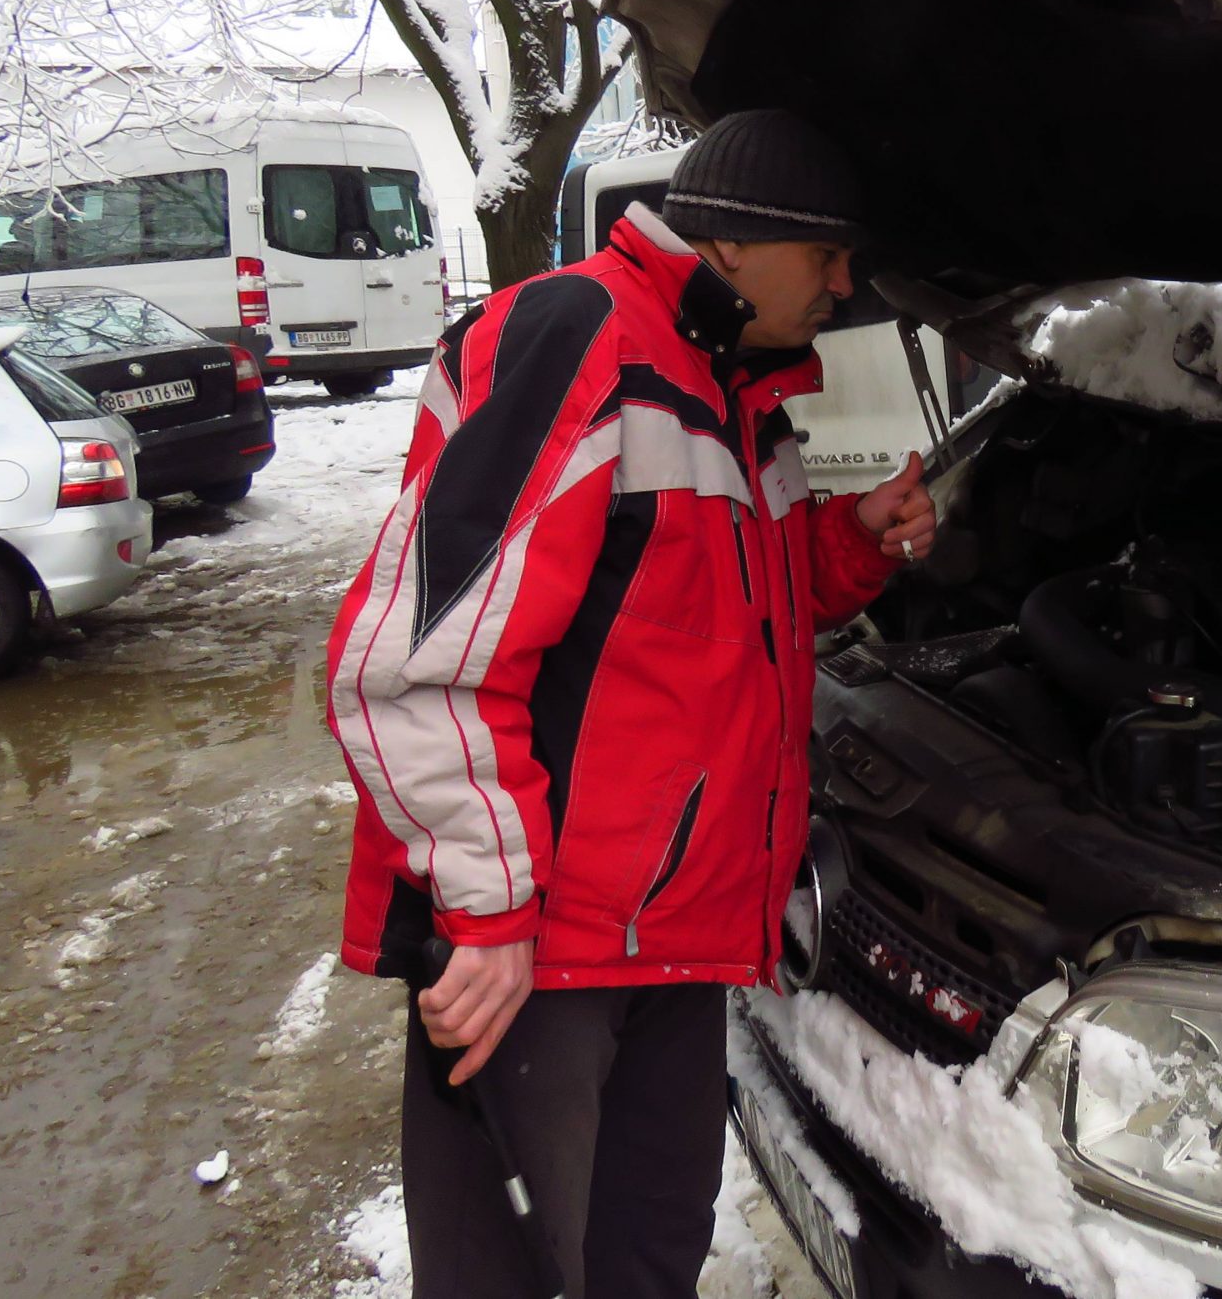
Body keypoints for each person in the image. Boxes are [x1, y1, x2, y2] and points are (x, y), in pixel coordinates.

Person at [321, 107, 935, 1298]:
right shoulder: (582, 337)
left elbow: (723, 609)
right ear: (740, 244)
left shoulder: (733, 383)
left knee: (647, 1255)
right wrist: (490, 912)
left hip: (674, 937)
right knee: (521, 1274)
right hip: (546, 949)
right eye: (830, 256)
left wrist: (850, 544)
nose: (846, 284)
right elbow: (415, 658)